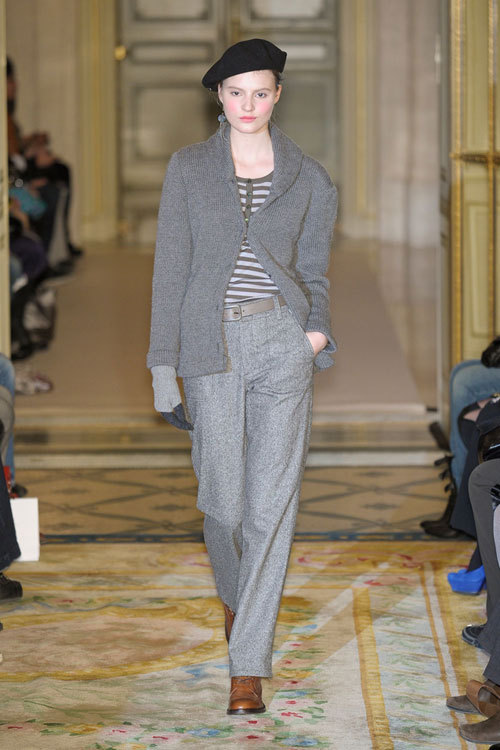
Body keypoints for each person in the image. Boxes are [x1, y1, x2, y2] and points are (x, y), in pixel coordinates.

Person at [147, 38, 337, 714]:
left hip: (283, 343)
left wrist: (313, 335)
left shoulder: (310, 177)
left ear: (277, 94)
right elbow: (170, 269)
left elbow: (314, 271)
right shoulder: (188, 168)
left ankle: (247, 666)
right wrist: (162, 366)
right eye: (235, 93)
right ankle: (236, 597)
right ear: (219, 97)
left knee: (270, 509)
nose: (247, 105)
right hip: (211, 344)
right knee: (224, 505)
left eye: (260, 92)